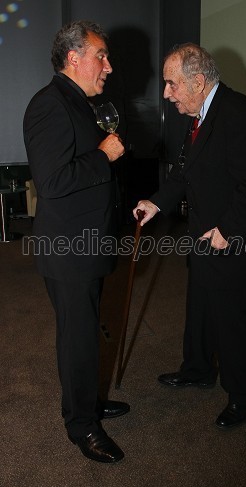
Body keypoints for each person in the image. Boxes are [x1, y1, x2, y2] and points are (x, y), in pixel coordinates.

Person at [134, 43, 246, 429]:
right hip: (205, 240)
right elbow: (184, 173)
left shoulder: (237, 114)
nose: (166, 94)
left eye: (171, 84)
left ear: (197, 82)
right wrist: (155, 203)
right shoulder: (200, 114)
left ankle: (243, 393)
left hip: (239, 242)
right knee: (199, 309)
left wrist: (227, 231)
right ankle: (198, 369)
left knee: (232, 322)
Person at [24, 21, 128, 463]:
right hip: (68, 248)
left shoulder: (81, 103)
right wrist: (103, 155)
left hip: (87, 242)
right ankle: (81, 426)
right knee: (78, 338)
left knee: (87, 329)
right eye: (100, 55)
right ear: (74, 58)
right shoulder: (50, 105)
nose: (108, 65)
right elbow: (51, 182)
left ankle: (90, 401)